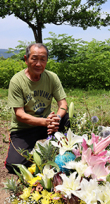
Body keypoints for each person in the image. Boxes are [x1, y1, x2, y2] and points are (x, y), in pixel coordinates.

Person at [5, 43, 69, 174]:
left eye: (43, 59)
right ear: (26, 59)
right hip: (24, 129)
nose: (38, 64)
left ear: (47, 60)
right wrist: (46, 122)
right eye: (34, 58)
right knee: (14, 165)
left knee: (65, 118)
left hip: (47, 125)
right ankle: (37, 155)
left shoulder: (52, 77)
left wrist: (56, 119)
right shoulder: (17, 81)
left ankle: (61, 148)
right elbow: (20, 115)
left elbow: (63, 104)